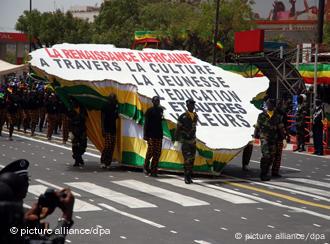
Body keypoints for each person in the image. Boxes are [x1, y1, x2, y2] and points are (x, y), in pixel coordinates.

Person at [254, 99, 285, 181]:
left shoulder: (277, 116)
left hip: (273, 139)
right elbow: (257, 126)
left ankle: (266, 172)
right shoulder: (261, 115)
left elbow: (281, 128)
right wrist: (255, 136)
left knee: (271, 157)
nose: (269, 106)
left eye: (270, 104)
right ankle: (263, 174)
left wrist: (284, 138)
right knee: (266, 155)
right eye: (268, 104)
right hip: (264, 138)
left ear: (273, 106)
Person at [175, 98, 198, 184]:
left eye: (193, 104)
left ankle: (189, 176)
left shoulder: (195, 116)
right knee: (187, 160)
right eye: (190, 105)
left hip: (193, 141)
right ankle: (186, 177)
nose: (192, 106)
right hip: (186, 142)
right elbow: (178, 129)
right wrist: (176, 141)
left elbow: (194, 128)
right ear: (187, 106)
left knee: (192, 160)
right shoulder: (182, 117)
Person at [143, 96, 164, 177]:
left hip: (159, 134)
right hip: (151, 135)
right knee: (151, 151)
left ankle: (154, 170)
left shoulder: (161, 110)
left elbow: (161, 120)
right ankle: (146, 166)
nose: (157, 102)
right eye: (155, 100)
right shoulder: (149, 111)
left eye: (158, 100)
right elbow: (146, 123)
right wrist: (145, 134)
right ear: (152, 101)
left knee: (157, 153)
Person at [271, 99, 289, 177]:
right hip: (272, 137)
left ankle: (275, 171)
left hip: (279, 137)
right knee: (271, 155)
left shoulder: (283, 114)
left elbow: (285, 125)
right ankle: (266, 170)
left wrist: (285, 136)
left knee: (278, 155)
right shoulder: (272, 113)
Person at [100, 94, 119, 169]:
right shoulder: (105, 106)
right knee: (108, 145)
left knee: (112, 146)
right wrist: (103, 129)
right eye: (113, 98)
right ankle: (103, 161)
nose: (113, 100)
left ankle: (108, 162)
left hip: (113, 129)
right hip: (107, 128)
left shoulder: (115, 106)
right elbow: (102, 118)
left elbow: (116, 116)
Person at [70, 100, 87, 167]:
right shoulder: (72, 110)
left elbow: (84, 118)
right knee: (75, 146)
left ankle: (78, 157)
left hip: (81, 130)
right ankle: (77, 160)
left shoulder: (82, 109)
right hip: (74, 130)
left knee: (83, 146)